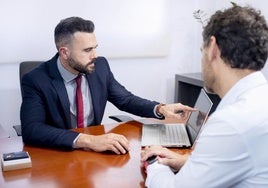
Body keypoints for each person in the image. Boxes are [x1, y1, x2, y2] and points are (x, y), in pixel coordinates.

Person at [20, 17, 194, 154]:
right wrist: (88, 140)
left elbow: (125, 99)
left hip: (95, 154)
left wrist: (160, 109)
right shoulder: (36, 80)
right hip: (59, 154)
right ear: (64, 52)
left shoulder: (99, 67)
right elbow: (32, 129)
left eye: (95, 47)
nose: (95, 55)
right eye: (87, 50)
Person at [141, 5, 268, 187]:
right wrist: (186, 163)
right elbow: (241, 163)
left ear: (213, 49)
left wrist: (154, 163)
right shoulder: (259, 99)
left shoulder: (231, 122)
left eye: (202, 50)